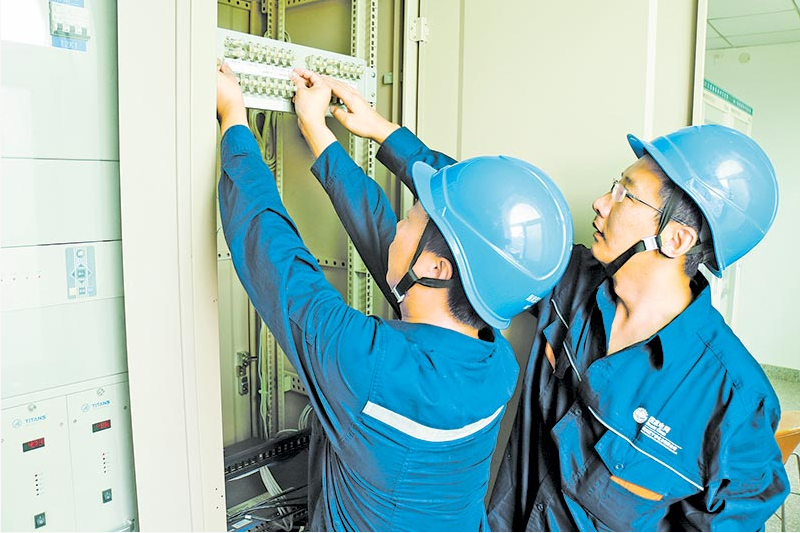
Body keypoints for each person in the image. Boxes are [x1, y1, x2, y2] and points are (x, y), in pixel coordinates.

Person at [306, 72, 790, 531]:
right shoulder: (574, 284)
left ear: (676, 239)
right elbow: (477, 217)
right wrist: (381, 131)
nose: (601, 202)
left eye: (626, 195)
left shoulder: (732, 401)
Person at [216, 60, 573, 531]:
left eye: (411, 216)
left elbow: (271, 253)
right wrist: (318, 133)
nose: (398, 223)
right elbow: (383, 236)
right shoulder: (495, 363)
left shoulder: (366, 365)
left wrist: (233, 117)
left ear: (435, 269)